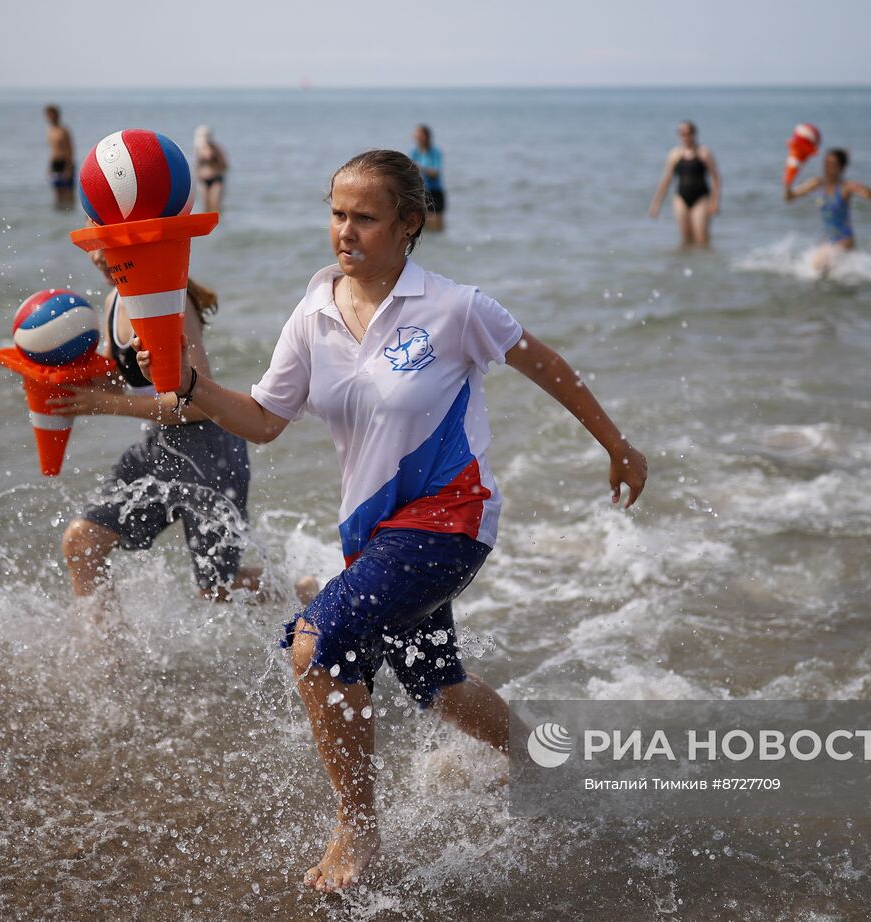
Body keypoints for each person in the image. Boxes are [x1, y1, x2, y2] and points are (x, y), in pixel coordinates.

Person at [136, 150, 648, 891]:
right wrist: (192, 386)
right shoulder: (312, 315)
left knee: (318, 644)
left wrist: (618, 445)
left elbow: (546, 365)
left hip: (454, 520)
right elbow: (264, 420)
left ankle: (358, 835)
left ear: (411, 223)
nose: (345, 231)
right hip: (377, 537)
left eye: (365, 217)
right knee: (434, 683)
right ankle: (549, 761)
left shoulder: (455, 308)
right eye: (338, 214)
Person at [48, 250, 292, 610]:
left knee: (218, 587)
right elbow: (126, 381)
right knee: (82, 542)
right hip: (160, 444)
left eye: (107, 241)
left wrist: (107, 405)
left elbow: (195, 402)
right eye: (91, 242)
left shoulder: (165, 301)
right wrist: (59, 377)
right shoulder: (114, 298)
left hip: (208, 452)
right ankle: (104, 665)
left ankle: (308, 592)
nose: (99, 254)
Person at [784, 147, 871, 272]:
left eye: (832, 164)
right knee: (818, 272)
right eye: (826, 163)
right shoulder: (817, 183)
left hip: (844, 240)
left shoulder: (846, 187)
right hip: (826, 239)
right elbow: (790, 198)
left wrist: (865, 190)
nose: (828, 167)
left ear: (841, 168)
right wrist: (788, 183)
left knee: (819, 267)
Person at [648, 120, 722, 247]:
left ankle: (705, 263)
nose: (684, 136)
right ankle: (687, 265)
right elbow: (666, 181)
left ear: (694, 134)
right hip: (680, 197)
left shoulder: (704, 153)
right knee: (685, 238)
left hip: (701, 197)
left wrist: (715, 202)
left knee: (701, 238)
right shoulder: (675, 154)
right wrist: (656, 205)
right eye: (681, 133)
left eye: (687, 133)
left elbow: (716, 179)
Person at [409, 124, 445, 231]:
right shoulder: (414, 152)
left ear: (427, 136)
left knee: (438, 222)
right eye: (416, 135)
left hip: (435, 190)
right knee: (422, 223)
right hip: (421, 191)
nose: (417, 137)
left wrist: (422, 168)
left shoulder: (435, 152)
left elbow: (436, 173)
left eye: (420, 134)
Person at [44, 105, 75, 208]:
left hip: (65, 162)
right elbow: (52, 150)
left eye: (51, 115)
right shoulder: (50, 130)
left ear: (57, 115)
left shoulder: (63, 130)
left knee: (69, 192)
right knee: (57, 193)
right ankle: (59, 214)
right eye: (48, 115)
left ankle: (70, 211)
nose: (49, 117)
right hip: (55, 163)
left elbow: (70, 149)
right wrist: (49, 168)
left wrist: (68, 168)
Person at [194, 125, 228, 214]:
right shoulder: (199, 149)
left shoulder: (216, 149)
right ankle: (207, 225)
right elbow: (197, 166)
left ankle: (217, 224)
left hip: (216, 179)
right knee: (205, 207)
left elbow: (224, 166)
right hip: (203, 180)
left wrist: (212, 159)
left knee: (215, 205)